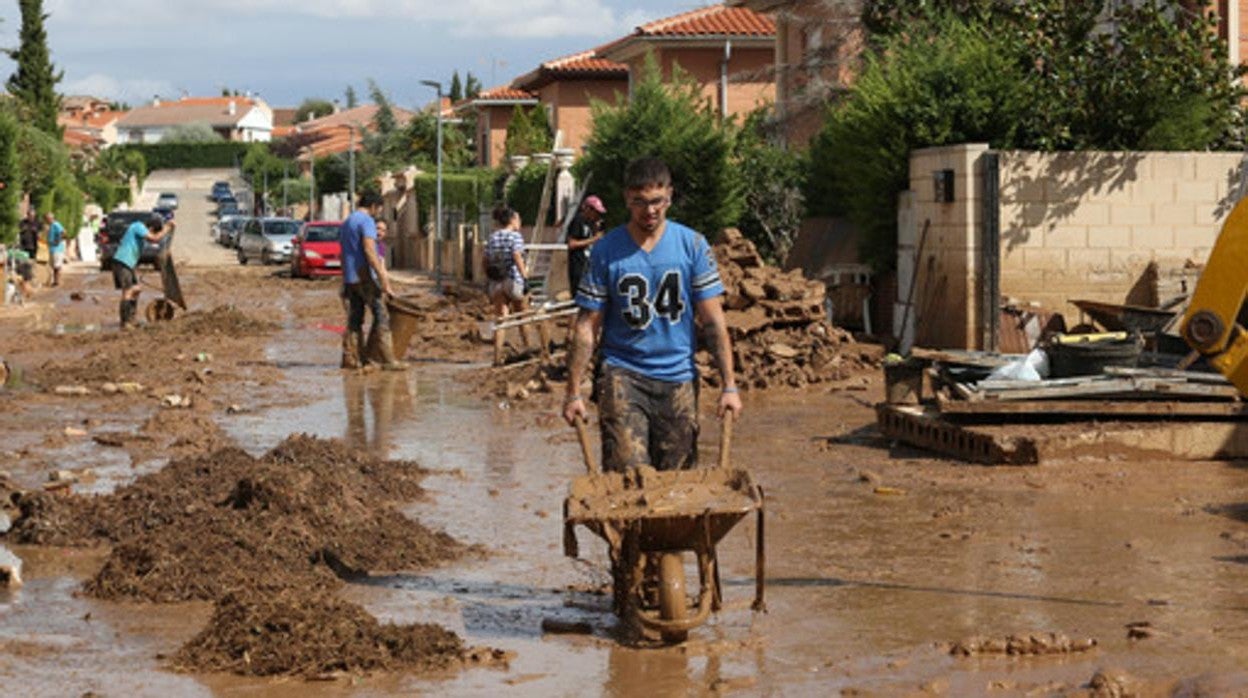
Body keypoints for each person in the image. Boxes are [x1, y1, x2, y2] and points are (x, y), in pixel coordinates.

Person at [563, 157, 742, 471]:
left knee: (677, 487)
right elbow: (586, 326)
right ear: (626, 200)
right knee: (628, 477)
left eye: (657, 201)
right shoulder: (606, 251)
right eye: (640, 203)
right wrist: (573, 391)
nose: (649, 211)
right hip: (623, 374)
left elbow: (713, 322)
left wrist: (729, 386)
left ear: (669, 196)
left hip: (679, 377)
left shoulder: (692, 246)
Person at [339, 191, 405, 371]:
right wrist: (383, 279)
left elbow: (343, 253)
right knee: (381, 314)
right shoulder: (366, 221)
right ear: (374, 206)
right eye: (379, 209)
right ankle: (385, 359)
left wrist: (345, 278)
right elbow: (370, 250)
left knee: (355, 319)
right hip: (364, 276)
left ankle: (352, 358)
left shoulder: (347, 222)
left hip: (350, 277)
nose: (378, 213)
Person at [112, 215, 174, 328]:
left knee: (137, 290)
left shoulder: (139, 230)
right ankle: (125, 321)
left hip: (128, 264)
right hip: (122, 262)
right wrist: (167, 228)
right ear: (151, 228)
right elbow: (154, 238)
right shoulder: (138, 226)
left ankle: (131, 318)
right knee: (129, 290)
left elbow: (156, 239)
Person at [484, 205, 531, 345]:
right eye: (518, 219)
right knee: (523, 317)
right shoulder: (515, 236)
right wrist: (525, 278)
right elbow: (517, 257)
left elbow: (485, 260)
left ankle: (497, 355)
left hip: (497, 283)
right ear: (512, 220)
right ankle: (528, 347)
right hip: (513, 281)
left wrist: (488, 279)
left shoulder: (492, 237)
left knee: (500, 320)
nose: (520, 222)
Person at [566, 195, 606, 297]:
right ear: (588, 209)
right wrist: (593, 239)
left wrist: (597, 230)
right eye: (595, 211)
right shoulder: (578, 221)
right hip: (578, 266)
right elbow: (572, 244)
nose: (596, 215)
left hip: (589, 265)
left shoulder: (591, 223)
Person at [44, 212, 66, 287]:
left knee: (57, 266)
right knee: (53, 266)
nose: (46, 221)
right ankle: (55, 281)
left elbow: (63, 232)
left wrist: (57, 241)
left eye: (47, 219)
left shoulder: (56, 224)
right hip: (52, 249)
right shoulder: (51, 226)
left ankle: (57, 281)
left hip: (57, 249)